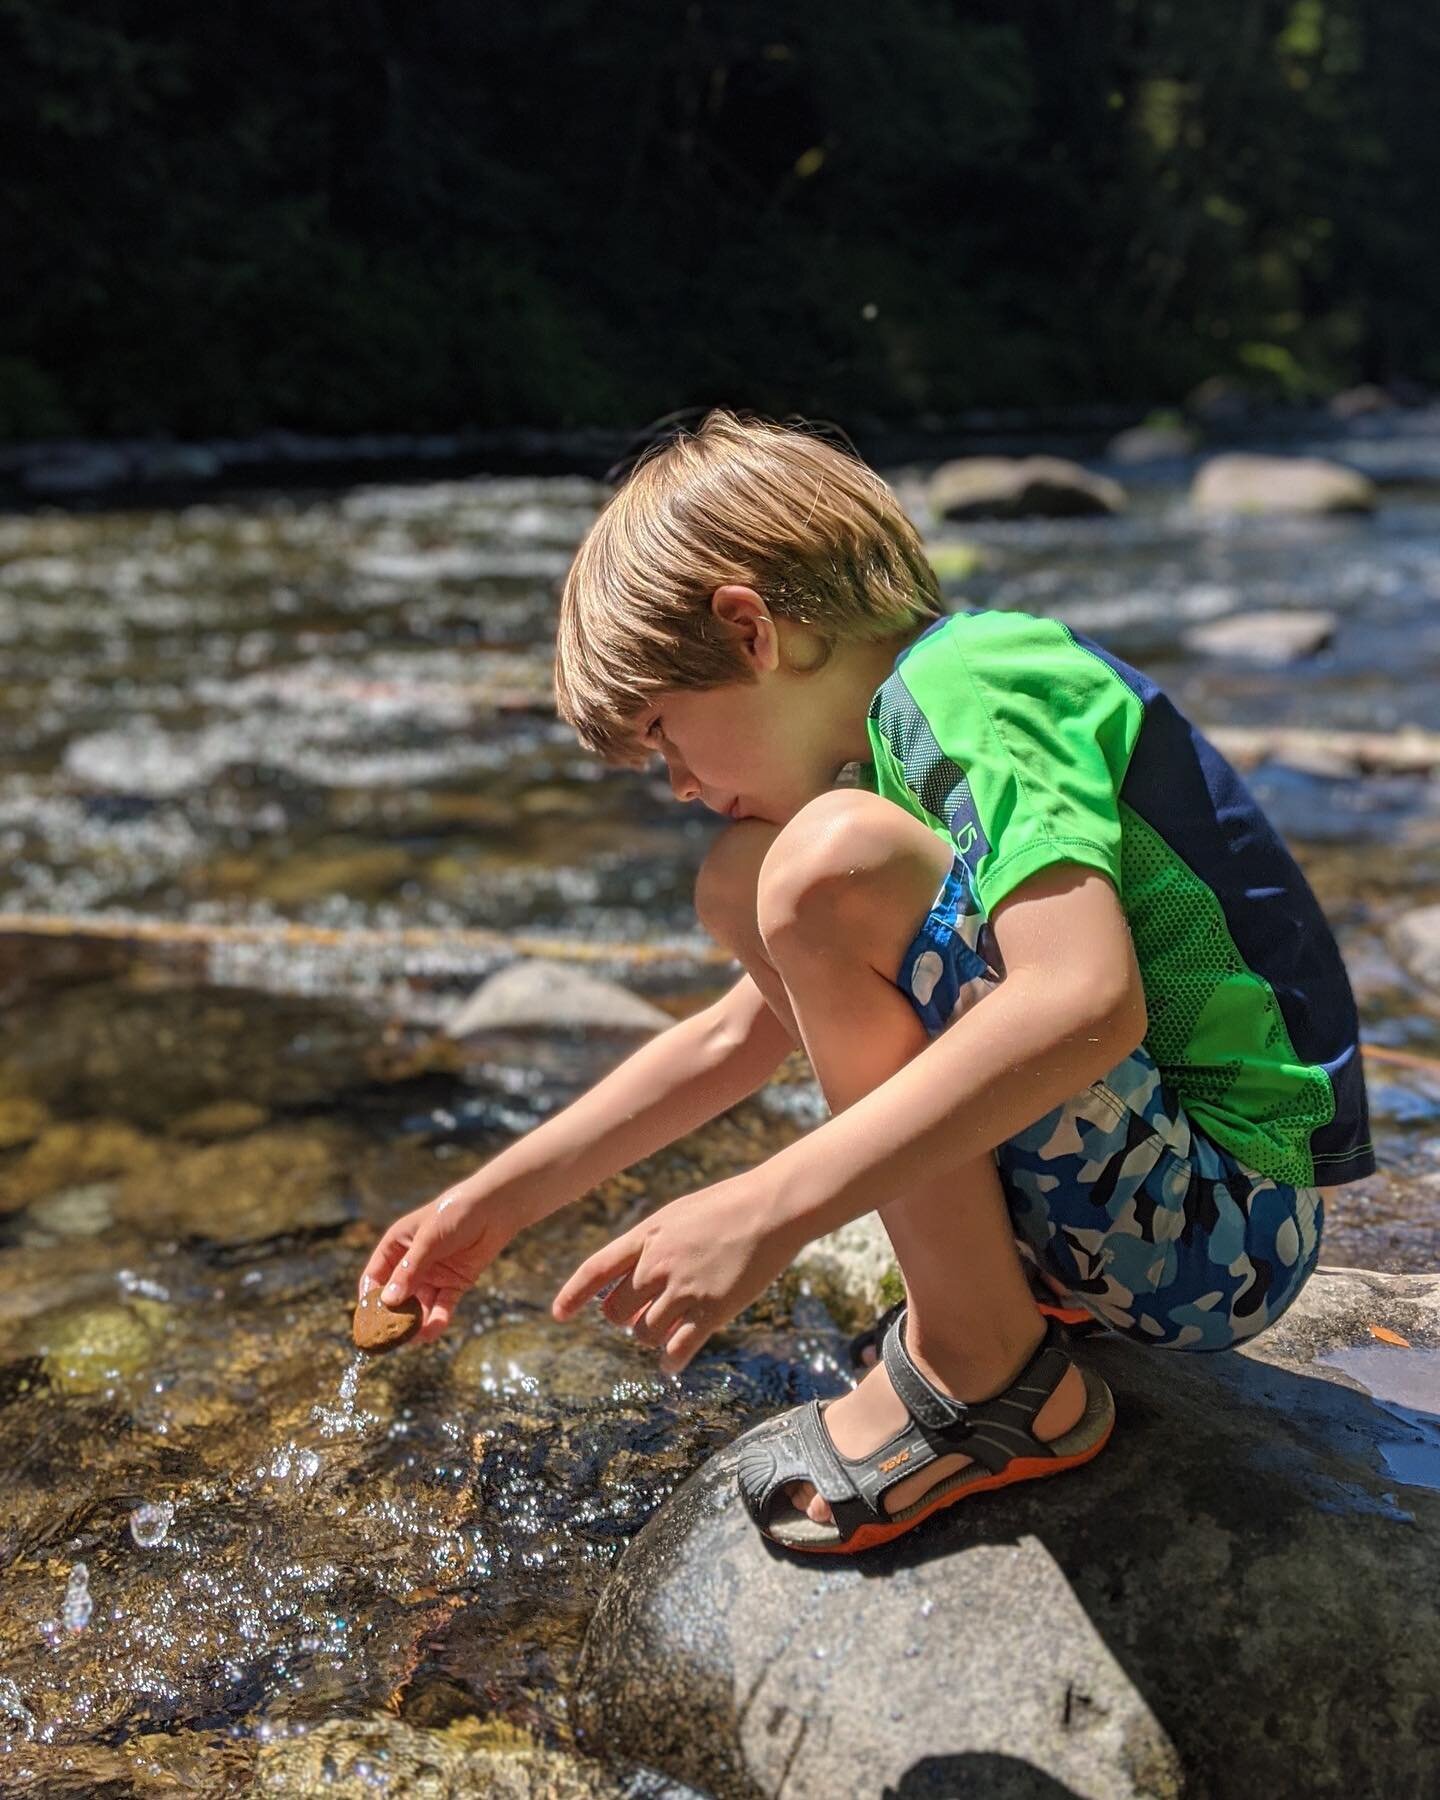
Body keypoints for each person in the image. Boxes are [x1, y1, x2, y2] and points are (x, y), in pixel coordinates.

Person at [360, 409, 1373, 1556]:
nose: (680, 785)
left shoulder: (972, 687)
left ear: (749, 632)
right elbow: (733, 1039)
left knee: (818, 867)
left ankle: (988, 1375)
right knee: (747, 880)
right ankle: (995, 1307)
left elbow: (1085, 998)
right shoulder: (895, 746)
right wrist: (491, 1206)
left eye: (667, 738)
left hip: (1227, 1230)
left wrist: (769, 1208)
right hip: (1158, 1211)